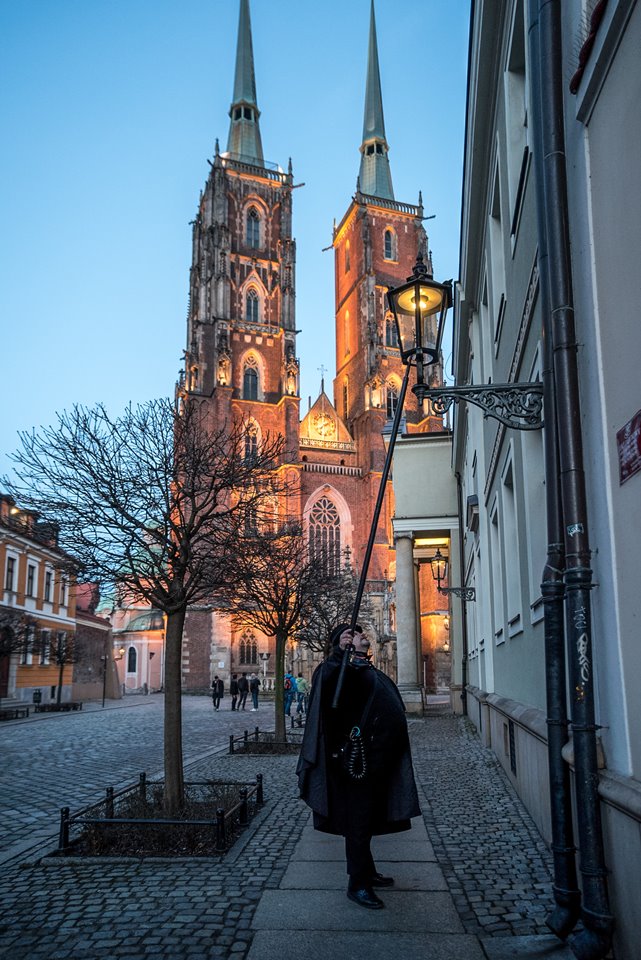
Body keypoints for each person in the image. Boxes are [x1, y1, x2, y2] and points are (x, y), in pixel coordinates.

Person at [296, 623, 420, 910]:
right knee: (358, 821)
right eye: (353, 634)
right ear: (340, 644)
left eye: (361, 633)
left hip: (377, 759)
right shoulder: (337, 671)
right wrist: (340, 655)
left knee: (372, 816)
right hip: (354, 761)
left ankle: (368, 870)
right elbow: (326, 682)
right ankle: (357, 883)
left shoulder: (363, 668)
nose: (362, 636)